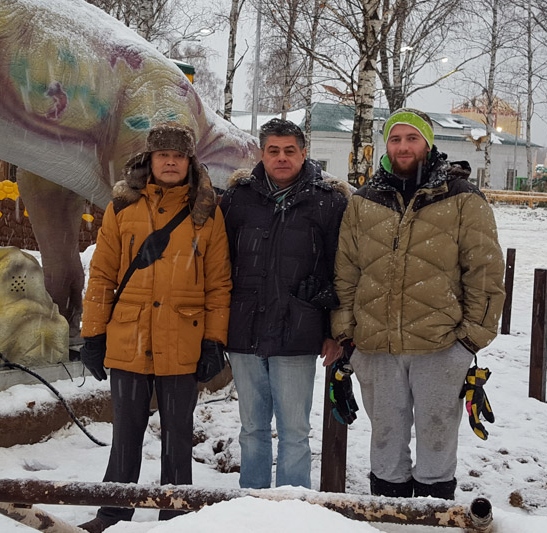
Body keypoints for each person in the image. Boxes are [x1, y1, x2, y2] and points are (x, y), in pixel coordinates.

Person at [331, 108, 505, 500]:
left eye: (412, 138)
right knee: (385, 441)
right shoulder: (363, 201)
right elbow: (346, 271)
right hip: (376, 347)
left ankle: (433, 516)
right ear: (386, 146)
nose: (403, 146)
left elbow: (485, 271)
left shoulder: (462, 198)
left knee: (437, 440)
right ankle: (389, 517)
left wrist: (470, 340)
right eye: (395, 139)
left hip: (440, 347)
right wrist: (347, 335)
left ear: (428, 144)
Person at [77, 123, 231, 532]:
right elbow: (102, 275)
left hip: (183, 338)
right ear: (150, 159)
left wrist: (214, 340)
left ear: (189, 162)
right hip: (130, 335)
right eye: (163, 155)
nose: (170, 162)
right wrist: (93, 334)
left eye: (178, 156)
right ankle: (113, 511)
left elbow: (218, 283)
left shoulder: (207, 211)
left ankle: (176, 512)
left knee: (178, 435)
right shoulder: (122, 208)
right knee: (126, 433)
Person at [220, 118, 349, 489]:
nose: (281, 158)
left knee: (294, 432)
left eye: (289, 151)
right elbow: (220, 264)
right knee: (252, 429)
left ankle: (293, 509)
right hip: (245, 330)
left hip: (299, 331)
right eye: (273, 150)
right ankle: (252, 501)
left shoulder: (328, 202)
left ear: (304, 153)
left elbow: (341, 270)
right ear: (261, 153)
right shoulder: (238, 199)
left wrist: (334, 331)